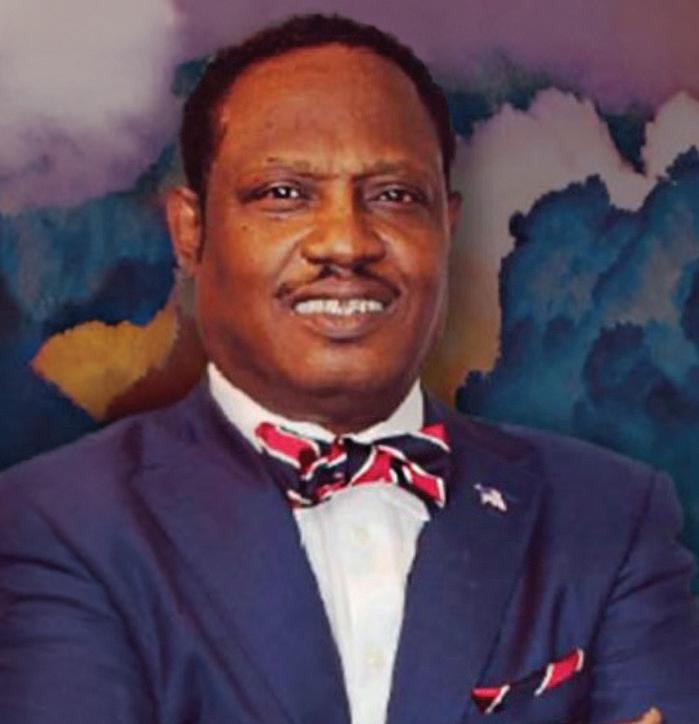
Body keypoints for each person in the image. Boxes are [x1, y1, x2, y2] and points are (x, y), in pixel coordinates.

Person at [0, 13, 697, 724]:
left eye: (394, 196)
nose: (345, 241)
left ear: (446, 227)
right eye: (284, 194)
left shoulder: (609, 517)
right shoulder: (56, 521)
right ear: (191, 230)